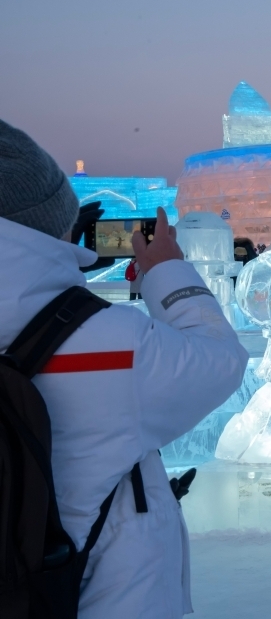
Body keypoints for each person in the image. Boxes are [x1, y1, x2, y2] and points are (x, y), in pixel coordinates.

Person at [0, 119, 249, 617]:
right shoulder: (109, 341)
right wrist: (167, 273)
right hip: (92, 594)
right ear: (50, 223)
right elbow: (219, 362)